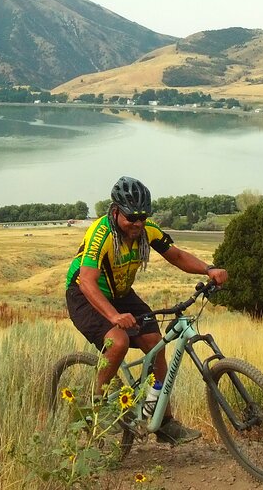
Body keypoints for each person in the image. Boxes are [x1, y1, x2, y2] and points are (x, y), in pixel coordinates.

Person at [65, 175, 228, 444]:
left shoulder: (146, 230)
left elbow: (175, 256)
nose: (138, 223)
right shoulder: (100, 233)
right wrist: (114, 316)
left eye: (143, 217)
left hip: (120, 292)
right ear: (115, 212)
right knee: (117, 341)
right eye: (132, 217)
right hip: (84, 293)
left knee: (155, 343)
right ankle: (98, 405)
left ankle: (162, 421)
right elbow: (88, 282)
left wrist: (208, 269)